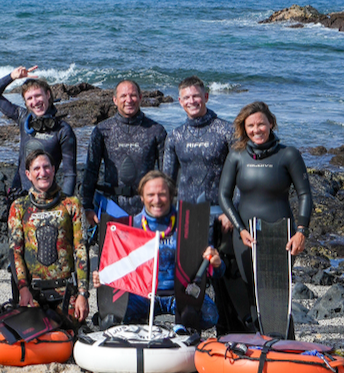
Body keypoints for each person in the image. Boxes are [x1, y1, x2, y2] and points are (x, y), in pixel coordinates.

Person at [218, 101, 313, 330]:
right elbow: (224, 195)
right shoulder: (237, 155)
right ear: (244, 128)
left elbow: (305, 195)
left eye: (261, 124)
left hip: (281, 234)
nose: (256, 129)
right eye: (250, 125)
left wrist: (301, 231)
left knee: (278, 293)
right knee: (251, 291)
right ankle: (259, 347)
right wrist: (240, 228)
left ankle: (284, 346)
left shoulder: (288, 154)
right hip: (246, 236)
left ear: (271, 123)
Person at [92, 172, 223, 331]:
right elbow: (116, 271)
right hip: (143, 296)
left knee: (210, 314)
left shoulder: (188, 224)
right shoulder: (130, 226)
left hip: (179, 294)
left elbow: (216, 273)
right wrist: (102, 277)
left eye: (162, 194)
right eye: (150, 195)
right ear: (141, 197)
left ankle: (182, 329)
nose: (156, 200)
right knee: (111, 316)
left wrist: (216, 264)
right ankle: (140, 324)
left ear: (171, 195)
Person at [8, 151, 89, 324]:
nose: (42, 173)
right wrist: (23, 288)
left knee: (70, 337)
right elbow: (15, 252)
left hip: (66, 292)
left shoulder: (71, 204)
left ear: (54, 169)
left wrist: (82, 294)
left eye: (46, 167)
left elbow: (81, 249)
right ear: (28, 175)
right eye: (36, 168)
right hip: (32, 292)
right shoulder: (19, 207)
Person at [82, 80, 168, 222]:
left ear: (140, 98)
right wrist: (87, 206)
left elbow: (166, 174)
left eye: (133, 95)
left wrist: (166, 206)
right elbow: (91, 171)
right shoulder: (102, 130)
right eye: (123, 96)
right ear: (115, 100)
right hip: (111, 207)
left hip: (146, 209)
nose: (129, 100)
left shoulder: (155, 130)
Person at [0, 66, 77, 195]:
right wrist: (12, 77)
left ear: (48, 94)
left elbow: (70, 174)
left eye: (38, 96)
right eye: (29, 98)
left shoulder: (63, 130)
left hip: (47, 195)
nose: (35, 102)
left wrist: (67, 203)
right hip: (20, 193)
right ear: (25, 102)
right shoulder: (23, 118)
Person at [162, 77, 234, 224]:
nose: (192, 101)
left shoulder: (227, 131)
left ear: (206, 97)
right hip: (185, 214)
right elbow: (167, 180)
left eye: (196, 96)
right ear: (180, 101)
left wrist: (232, 214)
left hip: (220, 213)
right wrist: (166, 212)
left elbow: (241, 175)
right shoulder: (175, 136)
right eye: (186, 97)